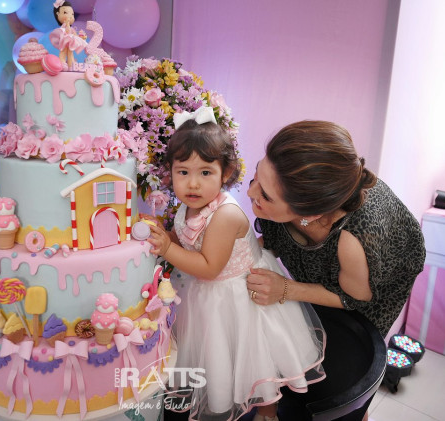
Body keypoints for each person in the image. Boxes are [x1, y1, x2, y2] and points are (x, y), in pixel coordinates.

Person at [148, 107, 326, 421]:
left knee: (255, 358)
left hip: (240, 294)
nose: (193, 184)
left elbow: (209, 267)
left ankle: (268, 411)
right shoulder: (188, 205)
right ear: (170, 172)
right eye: (183, 172)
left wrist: (166, 248)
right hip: (203, 291)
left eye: (205, 173)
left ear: (226, 173)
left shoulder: (226, 215)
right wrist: (165, 237)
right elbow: (185, 239)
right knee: (216, 357)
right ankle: (220, 394)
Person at [246, 120, 426, 421]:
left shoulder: (354, 241)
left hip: (369, 288)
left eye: (265, 195)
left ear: (310, 213)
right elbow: (275, 241)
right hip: (338, 257)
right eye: (255, 175)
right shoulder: (298, 192)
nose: (251, 191)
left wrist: (286, 289)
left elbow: (352, 298)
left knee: (344, 363)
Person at [50, 0, 87, 69]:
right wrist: (67, 24)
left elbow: (74, 34)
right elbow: (66, 31)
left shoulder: (72, 28)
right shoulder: (63, 27)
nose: (70, 16)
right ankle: (62, 63)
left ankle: (71, 64)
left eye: (72, 14)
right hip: (63, 41)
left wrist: (80, 37)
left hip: (71, 42)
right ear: (58, 14)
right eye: (65, 12)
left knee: (70, 52)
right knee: (63, 51)